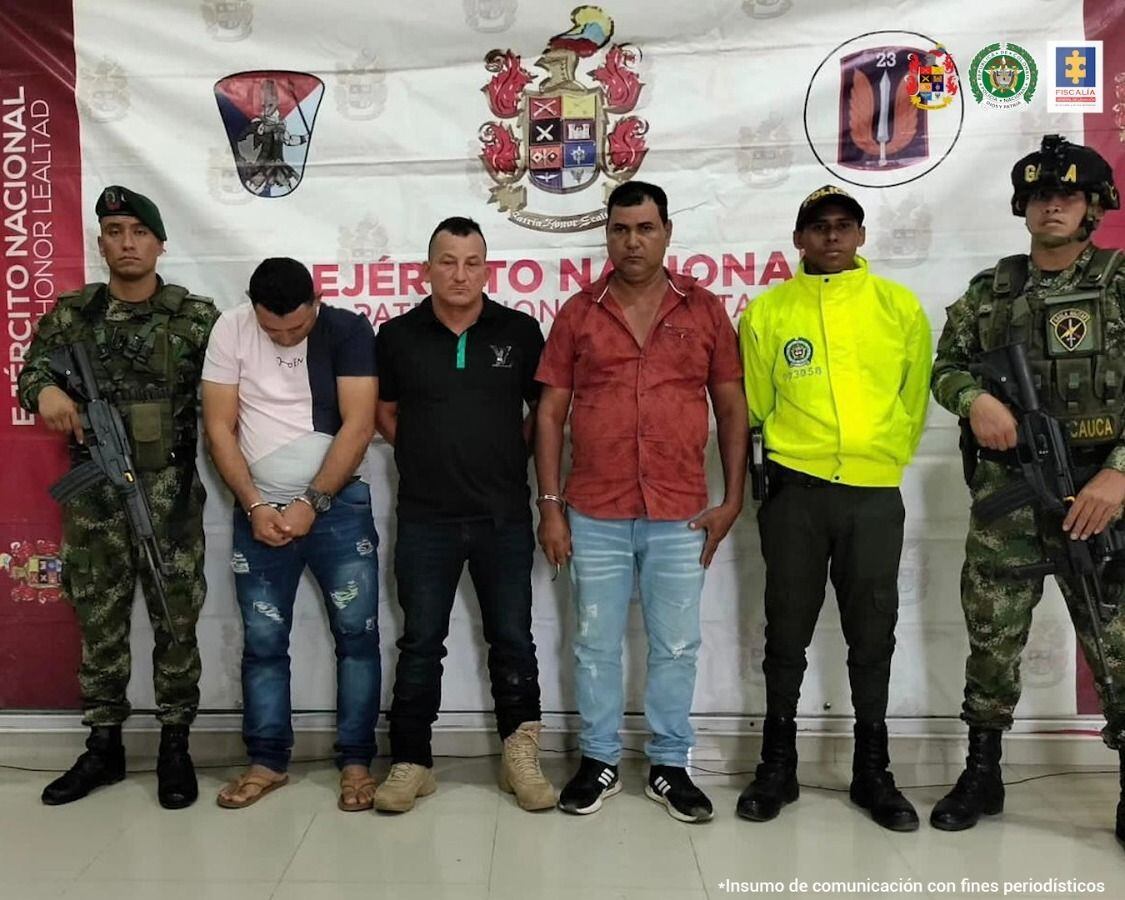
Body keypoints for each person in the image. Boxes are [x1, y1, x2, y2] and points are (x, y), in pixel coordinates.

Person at [930, 135, 1125, 844]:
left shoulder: (1120, 279)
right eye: (1041, 194)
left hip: (1099, 497)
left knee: (1116, 641)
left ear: (1092, 206)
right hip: (1010, 496)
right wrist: (973, 401)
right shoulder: (991, 290)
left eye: (1067, 194)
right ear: (1022, 205)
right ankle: (981, 770)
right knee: (991, 639)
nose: (1052, 205)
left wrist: (1118, 472)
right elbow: (944, 364)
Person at [536, 181, 747, 823]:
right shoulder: (578, 312)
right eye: (621, 229)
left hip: (681, 509)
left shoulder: (705, 310)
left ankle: (668, 765)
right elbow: (550, 413)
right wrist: (550, 505)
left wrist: (733, 498)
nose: (633, 241)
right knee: (595, 644)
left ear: (667, 231)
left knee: (677, 645)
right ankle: (598, 759)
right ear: (607, 235)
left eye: (645, 228)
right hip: (593, 509)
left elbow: (733, 408)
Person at [736, 185, 932, 831]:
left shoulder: (897, 308)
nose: (830, 237)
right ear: (797, 240)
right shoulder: (767, 313)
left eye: (842, 226)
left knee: (871, 632)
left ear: (860, 236)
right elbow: (757, 408)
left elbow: (912, 400)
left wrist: (882, 459)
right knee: (784, 631)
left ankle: (871, 772)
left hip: (872, 494)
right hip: (795, 493)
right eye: (817, 227)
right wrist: (788, 468)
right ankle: (777, 765)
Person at [17, 186, 218, 809]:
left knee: (176, 618)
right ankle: (103, 745)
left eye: (138, 231)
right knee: (98, 622)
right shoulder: (72, 316)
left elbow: (237, 388)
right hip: (96, 502)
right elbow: (33, 371)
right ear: (101, 241)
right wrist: (44, 392)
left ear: (160, 242)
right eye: (114, 231)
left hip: (170, 500)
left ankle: (175, 744)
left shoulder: (196, 318)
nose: (126, 243)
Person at [372, 217, 554, 813]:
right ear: (426, 269)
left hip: (502, 515)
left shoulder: (521, 331)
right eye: (447, 261)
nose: (459, 273)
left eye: (472, 261)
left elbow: (543, 417)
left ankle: (519, 758)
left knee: (512, 640)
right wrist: (430, 456)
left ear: (487, 267)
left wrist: (502, 453)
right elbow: (387, 413)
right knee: (422, 642)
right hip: (426, 519)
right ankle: (411, 761)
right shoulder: (398, 336)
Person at [201, 257, 381, 811]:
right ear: (251, 308)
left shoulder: (348, 330)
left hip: (337, 506)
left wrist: (312, 502)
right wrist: (254, 503)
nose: (283, 339)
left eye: (296, 328)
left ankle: (356, 762)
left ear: (316, 301)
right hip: (258, 510)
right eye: (271, 329)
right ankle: (267, 760)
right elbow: (218, 426)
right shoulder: (230, 328)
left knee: (357, 638)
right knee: (262, 644)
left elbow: (360, 422)